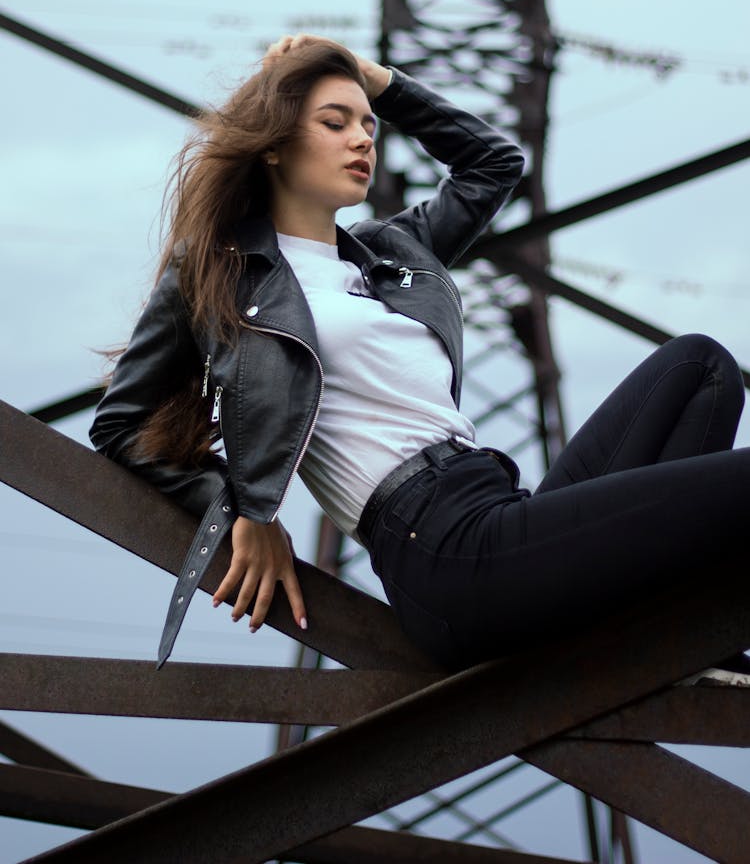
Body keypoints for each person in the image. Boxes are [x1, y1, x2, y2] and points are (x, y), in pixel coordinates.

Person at [90, 35, 750, 675]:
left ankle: (662, 633)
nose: (363, 139)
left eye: (369, 124)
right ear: (274, 146)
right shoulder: (220, 274)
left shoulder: (394, 252)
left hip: (497, 510)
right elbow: (119, 425)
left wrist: (379, 79)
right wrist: (241, 510)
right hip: (443, 551)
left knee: (700, 369)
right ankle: (682, 638)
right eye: (335, 122)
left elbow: (493, 164)